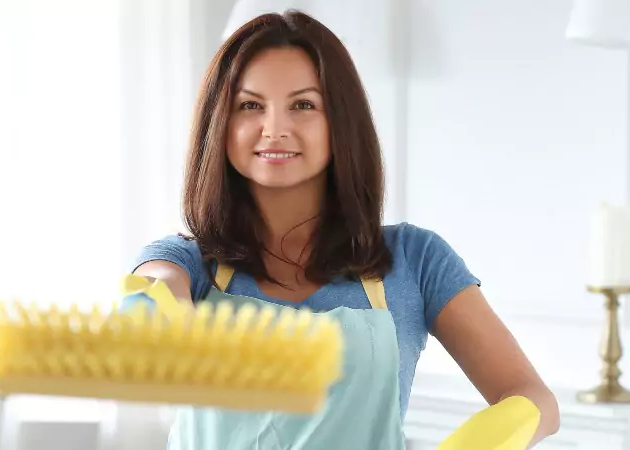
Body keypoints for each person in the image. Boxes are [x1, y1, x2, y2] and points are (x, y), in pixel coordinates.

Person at [130, 10, 560, 450]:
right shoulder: (190, 260)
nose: (274, 129)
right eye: (250, 105)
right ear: (218, 124)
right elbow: (157, 281)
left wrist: (487, 440)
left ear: (340, 122)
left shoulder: (415, 259)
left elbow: (534, 397)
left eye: (303, 105)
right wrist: (155, 311)